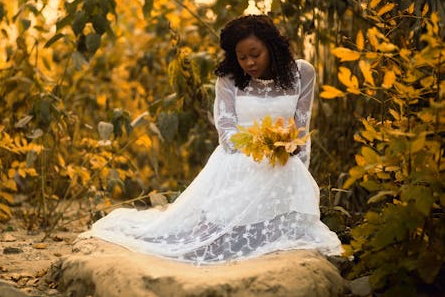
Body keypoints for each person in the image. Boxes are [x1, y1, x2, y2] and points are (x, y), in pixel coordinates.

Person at [79, 14, 342, 264]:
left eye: (255, 54)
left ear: (271, 47)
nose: (249, 63)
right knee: (208, 241)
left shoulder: (302, 73)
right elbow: (227, 134)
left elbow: (301, 129)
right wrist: (264, 146)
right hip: (238, 163)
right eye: (242, 57)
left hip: (283, 165)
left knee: (291, 231)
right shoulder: (229, 79)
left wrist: (299, 175)